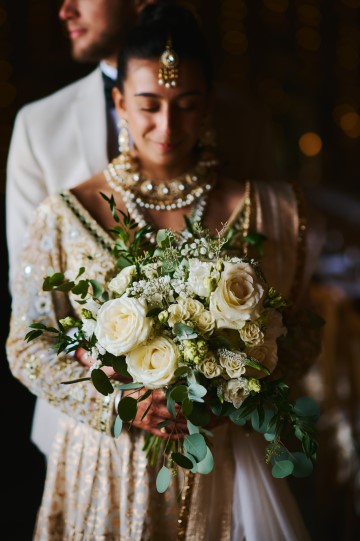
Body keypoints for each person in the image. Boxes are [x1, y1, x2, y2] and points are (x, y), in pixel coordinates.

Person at [6, 5, 321, 540]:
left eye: (187, 105)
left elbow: (303, 327)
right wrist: (118, 401)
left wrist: (237, 390)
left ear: (209, 108)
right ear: (120, 104)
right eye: (149, 106)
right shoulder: (64, 215)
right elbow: (26, 344)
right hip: (103, 458)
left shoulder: (268, 209)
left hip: (225, 457)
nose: (167, 126)